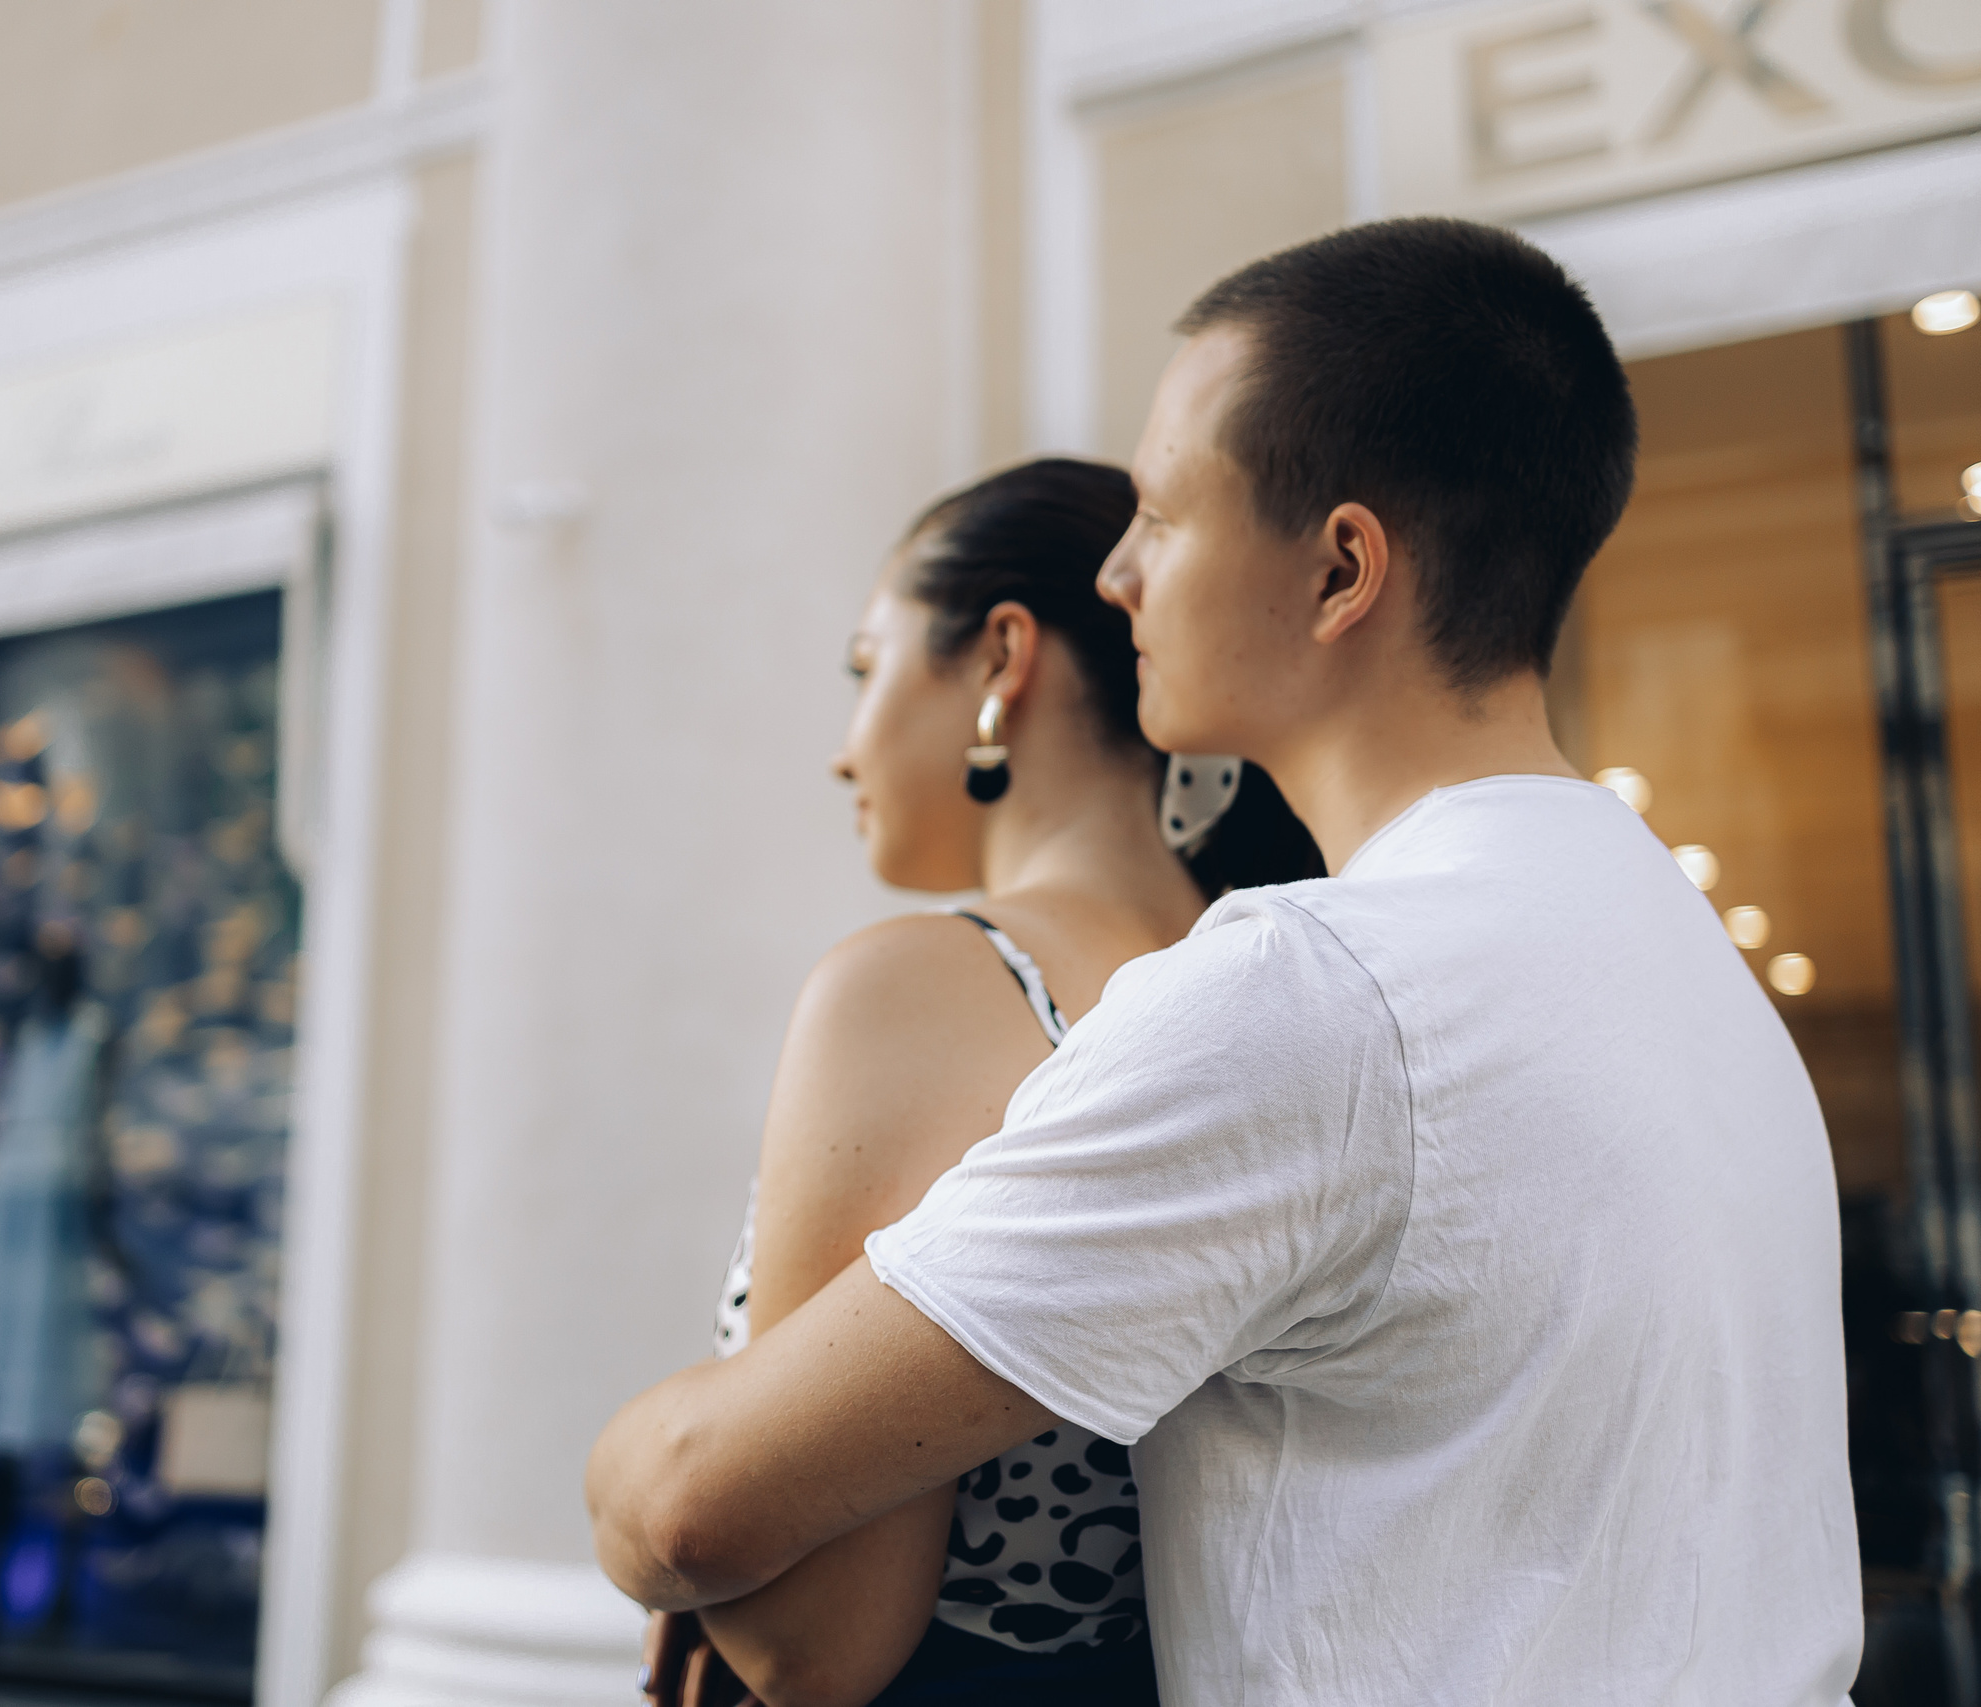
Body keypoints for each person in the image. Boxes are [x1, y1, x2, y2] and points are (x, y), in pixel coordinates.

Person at [587, 216, 1862, 1705]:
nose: (1119, 574)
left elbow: (695, 1501)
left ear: (1339, 570)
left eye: (1163, 514)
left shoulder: (1317, 994)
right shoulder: (1670, 941)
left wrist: (632, 1437)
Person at [642, 458, 1320, 1707]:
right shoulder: (1277, 990)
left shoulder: (924, 987)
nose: (844, 751)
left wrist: (652, 1462)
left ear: (1003, 654)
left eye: (865, 667)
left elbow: (814, 1642)